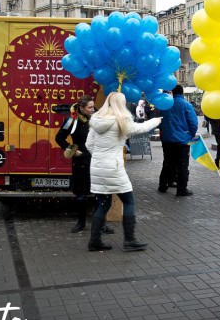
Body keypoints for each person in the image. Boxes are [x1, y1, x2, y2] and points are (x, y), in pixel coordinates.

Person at [86, 92, 162, 252]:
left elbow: (88, 144)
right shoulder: (121, 120)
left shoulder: (96, 120)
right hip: (113, 167)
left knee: (102, 204)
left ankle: (94, 241)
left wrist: (100, 158)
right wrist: (155, 120)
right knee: (129, 201)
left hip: (97, 167)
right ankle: (130, 240)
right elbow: (139, 128)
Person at [54, 95, 111, 234]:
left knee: (99, 192)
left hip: (97, 160)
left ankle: (101, 224)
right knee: (81, 194)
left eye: (93, 106)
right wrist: (73, 150)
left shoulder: (96, 119)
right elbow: (59, 138)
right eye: (89, 107)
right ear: (81, 108)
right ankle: (81, 223)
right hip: (81, 161)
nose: (92, 109)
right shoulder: (71, 120)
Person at [157, 85, 198, 196]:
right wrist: (191, 135)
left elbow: (160, 122)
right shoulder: (186, 105)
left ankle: (163, 185)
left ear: (172, 93)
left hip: (167, 139)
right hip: (182, 141)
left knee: (168, 162)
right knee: (182, 165)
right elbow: (193, 123)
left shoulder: (166, 105)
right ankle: (181, 189)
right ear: (182, 93)